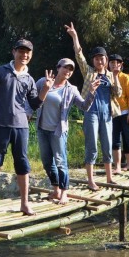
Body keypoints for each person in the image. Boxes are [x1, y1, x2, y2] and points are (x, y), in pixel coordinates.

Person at [0, 38, 52, 215]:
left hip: (21, 126)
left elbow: (35, 104)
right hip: (0, 124)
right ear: (14, 52)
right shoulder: (0, 71)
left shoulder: (29, 79)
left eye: (27, 52)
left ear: (31, 55)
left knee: (22, 163)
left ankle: (24, 203)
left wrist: (45, 89)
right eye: (21, 51)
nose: (24, 54)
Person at [67, 22, 122, 191]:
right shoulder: (89, 72)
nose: (100, 60)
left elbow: (118, 94)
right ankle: (91, 180)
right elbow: (79, 55)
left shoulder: (111, 75)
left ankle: (109, 177)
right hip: (91, 112)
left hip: (106, 113)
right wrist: (75, 37)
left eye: (102, 58)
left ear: (106, 61)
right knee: (92, 146)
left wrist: (116, 76)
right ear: (94, 60)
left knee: (107, 145)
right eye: (97, 58)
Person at [35, 58, 98, 204]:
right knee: (46, 162)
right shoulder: (43, 82)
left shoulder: (71, 89)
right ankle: (55, 189)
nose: (68, 71)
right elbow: (33, 98)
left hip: (58, 131)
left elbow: (84, 106)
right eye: (65, 68)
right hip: (42, 128)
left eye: (71, 69)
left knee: (60, 161)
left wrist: (92, 92)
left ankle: (64, 192)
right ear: (58, 67)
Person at [108, 54, 129, 176]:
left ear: (121, 65)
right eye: (111, 63)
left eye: (117, 63)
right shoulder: (107, 77)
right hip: (113, 113)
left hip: (126, 112)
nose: (114, 65)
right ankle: (117, 167)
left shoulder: (126, 78)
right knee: (115, 141)